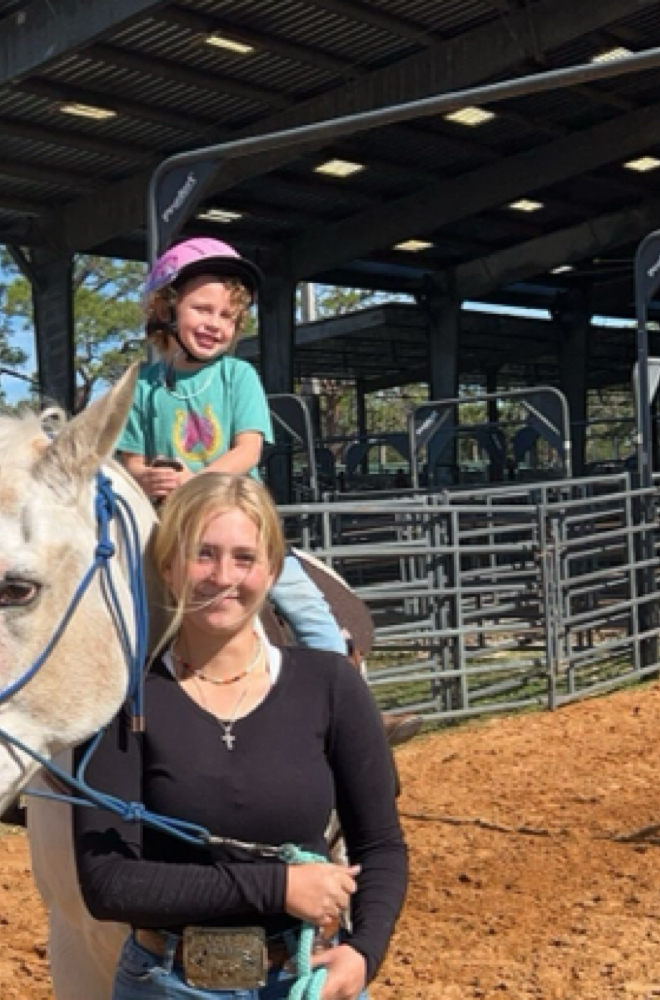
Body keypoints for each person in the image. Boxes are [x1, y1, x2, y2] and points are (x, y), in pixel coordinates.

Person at [73, 473, 408, 1000]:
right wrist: (279, 887)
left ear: (271, 570)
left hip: (304, 975)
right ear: (168, 567)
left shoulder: (331, 684)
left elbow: (381, 844)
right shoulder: (124, 700)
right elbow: (108, 884)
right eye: (202, 554)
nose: (222, 576)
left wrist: (364, 951)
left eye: (244, 558)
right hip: (168, 984)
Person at [116, 236, 421, 747]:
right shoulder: (143, 386)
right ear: (167, 307)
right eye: (202, 309)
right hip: (169, 528)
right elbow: (130, 461)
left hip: (238, 519)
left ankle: (357, 713)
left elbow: (248, 451)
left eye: (228, 316)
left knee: (303, 602)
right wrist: (148, 477)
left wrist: (196, 479)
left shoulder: (238, 376)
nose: (215, 323)